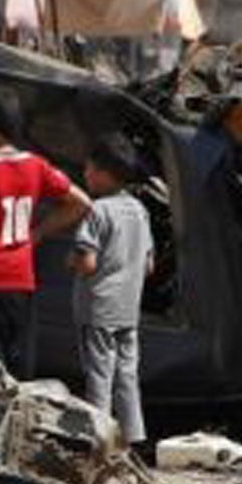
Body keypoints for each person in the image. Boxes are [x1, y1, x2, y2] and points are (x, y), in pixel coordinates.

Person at [0, 86, 90, 377]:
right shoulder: (35, 166)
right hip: (21, 282)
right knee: (17, 367)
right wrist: (38, 233)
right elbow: (81, 203)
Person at [68, 134, 153, 451]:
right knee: (127, 375)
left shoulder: (98, 211)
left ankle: (100, 443)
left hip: (98, 307)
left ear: (105, 173)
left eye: (89, 170)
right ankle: (134, 440)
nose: (85, 176)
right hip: (128, 308)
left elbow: (87, 263)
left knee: (99, 376)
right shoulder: (139, 211)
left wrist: (71, 261)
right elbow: (148, 265)